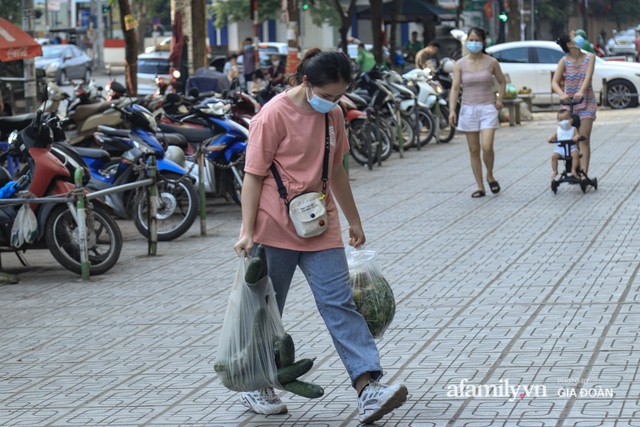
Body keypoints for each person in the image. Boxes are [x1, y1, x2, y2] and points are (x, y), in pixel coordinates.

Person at [233, 48, 408, 424]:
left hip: (319, 224)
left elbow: (338, 171)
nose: (332, 102)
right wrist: (247, 231)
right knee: (267, 310)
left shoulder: (334, 116)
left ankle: (369, 388)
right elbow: (253, 174)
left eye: (339, 96)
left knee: (339, 303)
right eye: (327, 95)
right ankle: (255, 382)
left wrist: (354, 220)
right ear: (306, 82)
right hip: (274, 227)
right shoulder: (273, 115)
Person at [448, 26, 506, 198]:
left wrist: (499, 99)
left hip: (488, 107)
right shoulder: (460, 64)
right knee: (474, 149)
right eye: (471, 40)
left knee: (487, 146)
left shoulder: (491, 62)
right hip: (468, 109)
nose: (474, 43)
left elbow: (501, 82)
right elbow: (455, 88)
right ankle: (480, 186)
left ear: (483, 42)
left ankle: (490, 174)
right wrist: (452, 110)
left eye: (477, 40)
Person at [552, 32, 597, 179]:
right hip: (569, 104)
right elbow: (554, 82)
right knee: (571, 139)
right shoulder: (564, 61)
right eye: (574, 36)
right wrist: (561, 94)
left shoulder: (590, 57)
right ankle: (574, 169)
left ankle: (584, 173)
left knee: (583, 137)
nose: (578, 37)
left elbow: (588, 76)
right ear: (570, 44)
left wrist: (581, 91)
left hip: (586, 101)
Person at [548, 110, 581, 180]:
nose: (564, 122)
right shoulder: (559, 129)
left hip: (571, 148)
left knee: (575, 155)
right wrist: (551, 138)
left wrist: (576, 137)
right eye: (561, 120)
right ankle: (555, 170)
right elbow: (554, 136)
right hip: (561, 149)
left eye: (566, 119)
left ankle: (573, 170)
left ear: (571, 120)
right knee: (554, 156)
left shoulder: (573, 129)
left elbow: (577, 135)